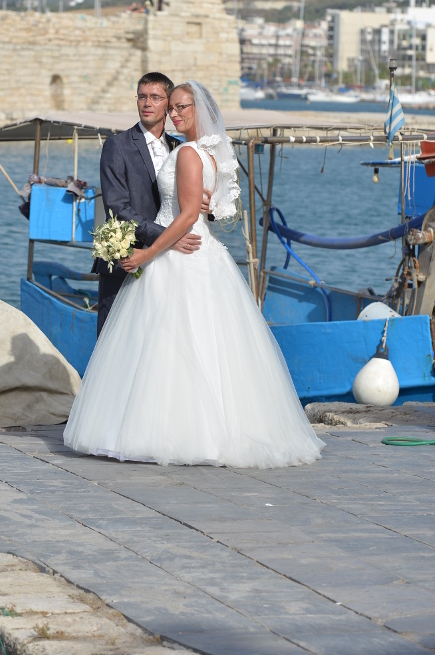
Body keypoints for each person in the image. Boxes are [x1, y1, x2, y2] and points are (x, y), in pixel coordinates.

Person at [65, 80, 325, 468]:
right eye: (151, 100)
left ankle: (183, 432)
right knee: (161, 343)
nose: (169, 111)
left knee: (184, 341)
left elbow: (198, 208)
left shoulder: (184, 149)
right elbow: (120, 206)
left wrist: (168, 238)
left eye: (172, 104)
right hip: (170, 249)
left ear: (196, 110)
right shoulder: (124, 146)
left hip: (176, 253)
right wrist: (175, 233)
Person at [94, 72, 209, 337]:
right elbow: (117, 207)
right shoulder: (117, 146)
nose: (147, 103)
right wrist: (170, 238)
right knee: (115, 344)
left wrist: (208, 208)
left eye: (155, 98)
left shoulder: (180, 148)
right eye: (142, 97)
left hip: (171, 265)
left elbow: (192, 199)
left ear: (168, 106)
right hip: (127, 259)